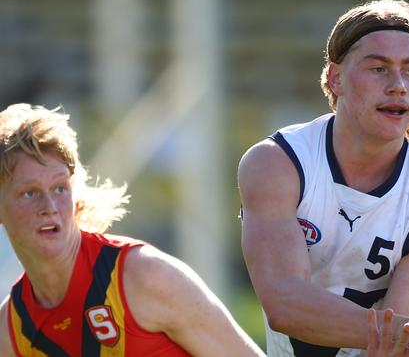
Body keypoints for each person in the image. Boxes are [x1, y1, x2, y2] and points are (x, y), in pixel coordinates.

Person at [238, 0, 409, 357]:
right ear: (336, 79)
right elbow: (284, 302)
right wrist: (405, 332)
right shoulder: (277, 163)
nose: (399, 85)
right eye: (378, 68)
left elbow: (387, 348)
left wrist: (406, 342)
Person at [0, 103, 266, 356]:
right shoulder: (12, 327)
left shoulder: (145, 276)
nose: (50, 206)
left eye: (60, 188)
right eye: (29, 193)